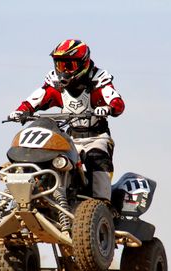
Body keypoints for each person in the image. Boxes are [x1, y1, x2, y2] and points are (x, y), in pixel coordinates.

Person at [9, 39, 125, 201]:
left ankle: (103, 207)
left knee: (98, 163)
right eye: (59, 65)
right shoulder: (56, 84)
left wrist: (108, 108)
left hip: (97, 138)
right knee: (50, 160)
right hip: (69, 138)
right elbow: (38, 97)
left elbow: (116, 101)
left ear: (83, 64)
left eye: (68, 65)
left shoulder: (98, 80)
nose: (63, 70)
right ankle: (49, 198)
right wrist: (21, 111)